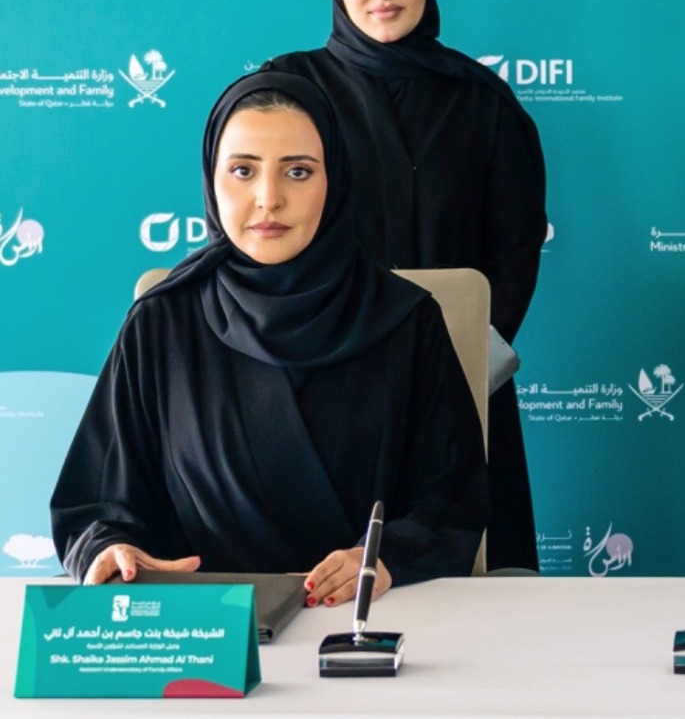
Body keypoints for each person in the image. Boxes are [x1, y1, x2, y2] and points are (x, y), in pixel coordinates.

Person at [51, 72, 488, 603]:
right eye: (242, 171)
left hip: (363, 621)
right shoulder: (162, 321)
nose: (269, 199)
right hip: (203, 630)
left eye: (298, 172)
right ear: (211, 180)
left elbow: (453, 500)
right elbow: (97, 502)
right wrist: (109, 548)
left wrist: (386, 558)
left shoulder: (406, 319)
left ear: (336, 181)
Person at [264, 0, 545, 571]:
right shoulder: (289, 91)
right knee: (319, 593)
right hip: (321, 381)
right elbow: (253, 229)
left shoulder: (483, 101)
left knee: (471, 590)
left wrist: (457, 356)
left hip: (455, 374)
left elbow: (514, 249)